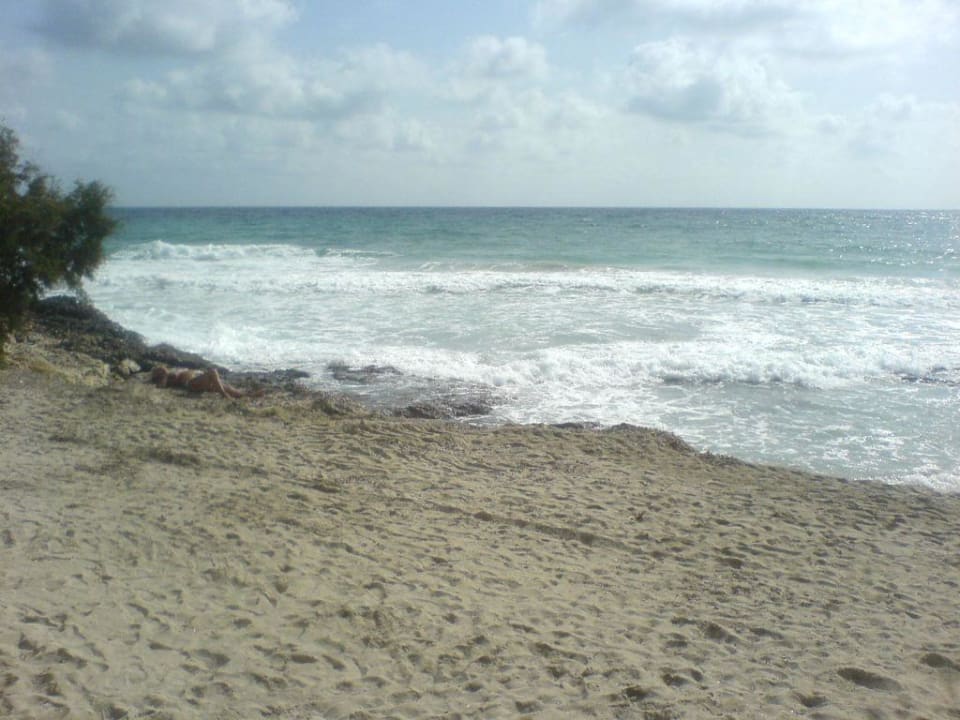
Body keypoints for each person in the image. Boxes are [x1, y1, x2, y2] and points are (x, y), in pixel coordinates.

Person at [150, 365, 246, 399]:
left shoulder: (173, 371)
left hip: (198, 380)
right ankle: (223, 395)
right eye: (160, 369)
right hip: (191, 383)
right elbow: (161, 386)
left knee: (228, 388)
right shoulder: (168, 376)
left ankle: (249, 395)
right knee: (213, 372)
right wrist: (164, 374)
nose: (163, 368)